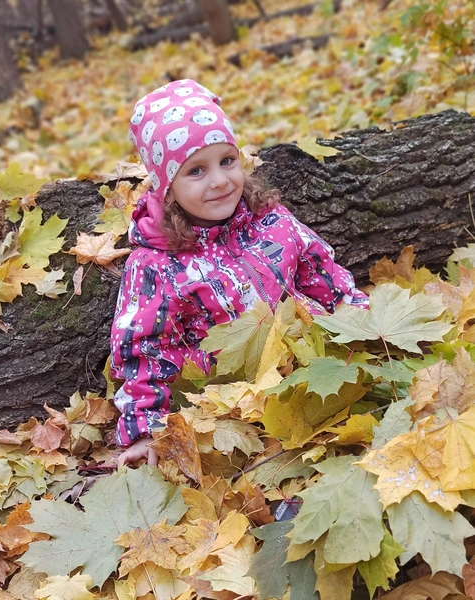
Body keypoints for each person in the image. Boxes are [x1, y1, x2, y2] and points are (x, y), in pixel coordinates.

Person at [110, 79, 368, 467]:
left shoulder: (271, 221)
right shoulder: (156, 265)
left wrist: (363, 321)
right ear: (167, 187)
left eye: (226, 161)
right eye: (196, 170)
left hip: (313, 372)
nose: (219, 181)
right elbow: (144, 352)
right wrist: (147, 430)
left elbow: (323, 275)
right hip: (233, 409)